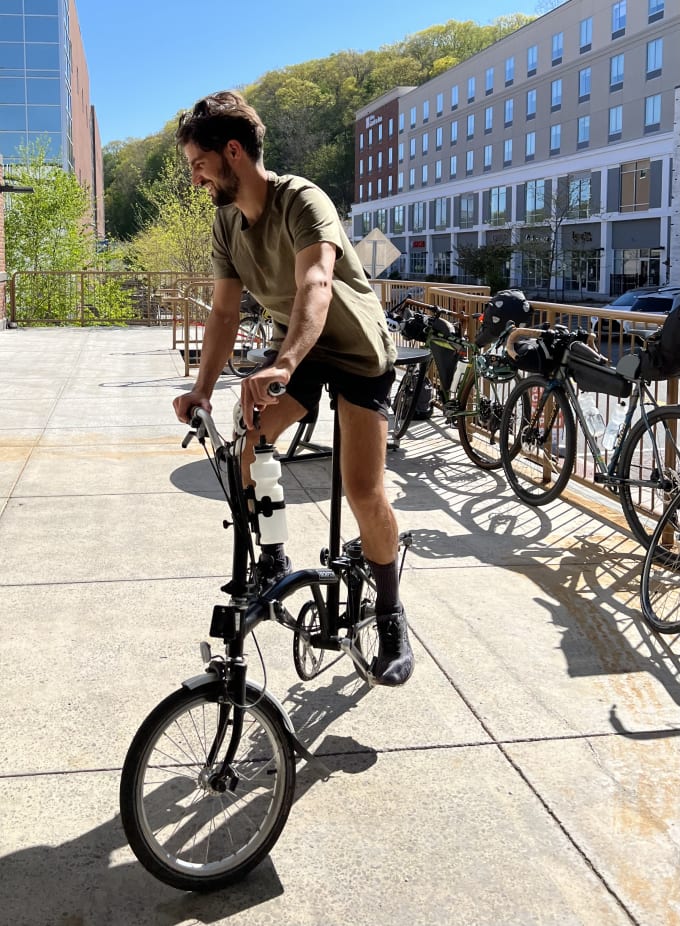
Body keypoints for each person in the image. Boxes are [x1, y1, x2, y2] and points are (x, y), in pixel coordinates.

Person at [172, 91, 413, 687]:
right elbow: (224, 314)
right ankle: (273, 558)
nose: (195, 177)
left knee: (362, 489)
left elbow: (317, 282)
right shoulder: (227, 222)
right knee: (248, 439)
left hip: (354, 351)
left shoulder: (302, 198)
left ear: (233, 152)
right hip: (297, 351)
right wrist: (201, 389)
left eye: (198, 164)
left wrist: (282, 364)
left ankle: (390, 612)